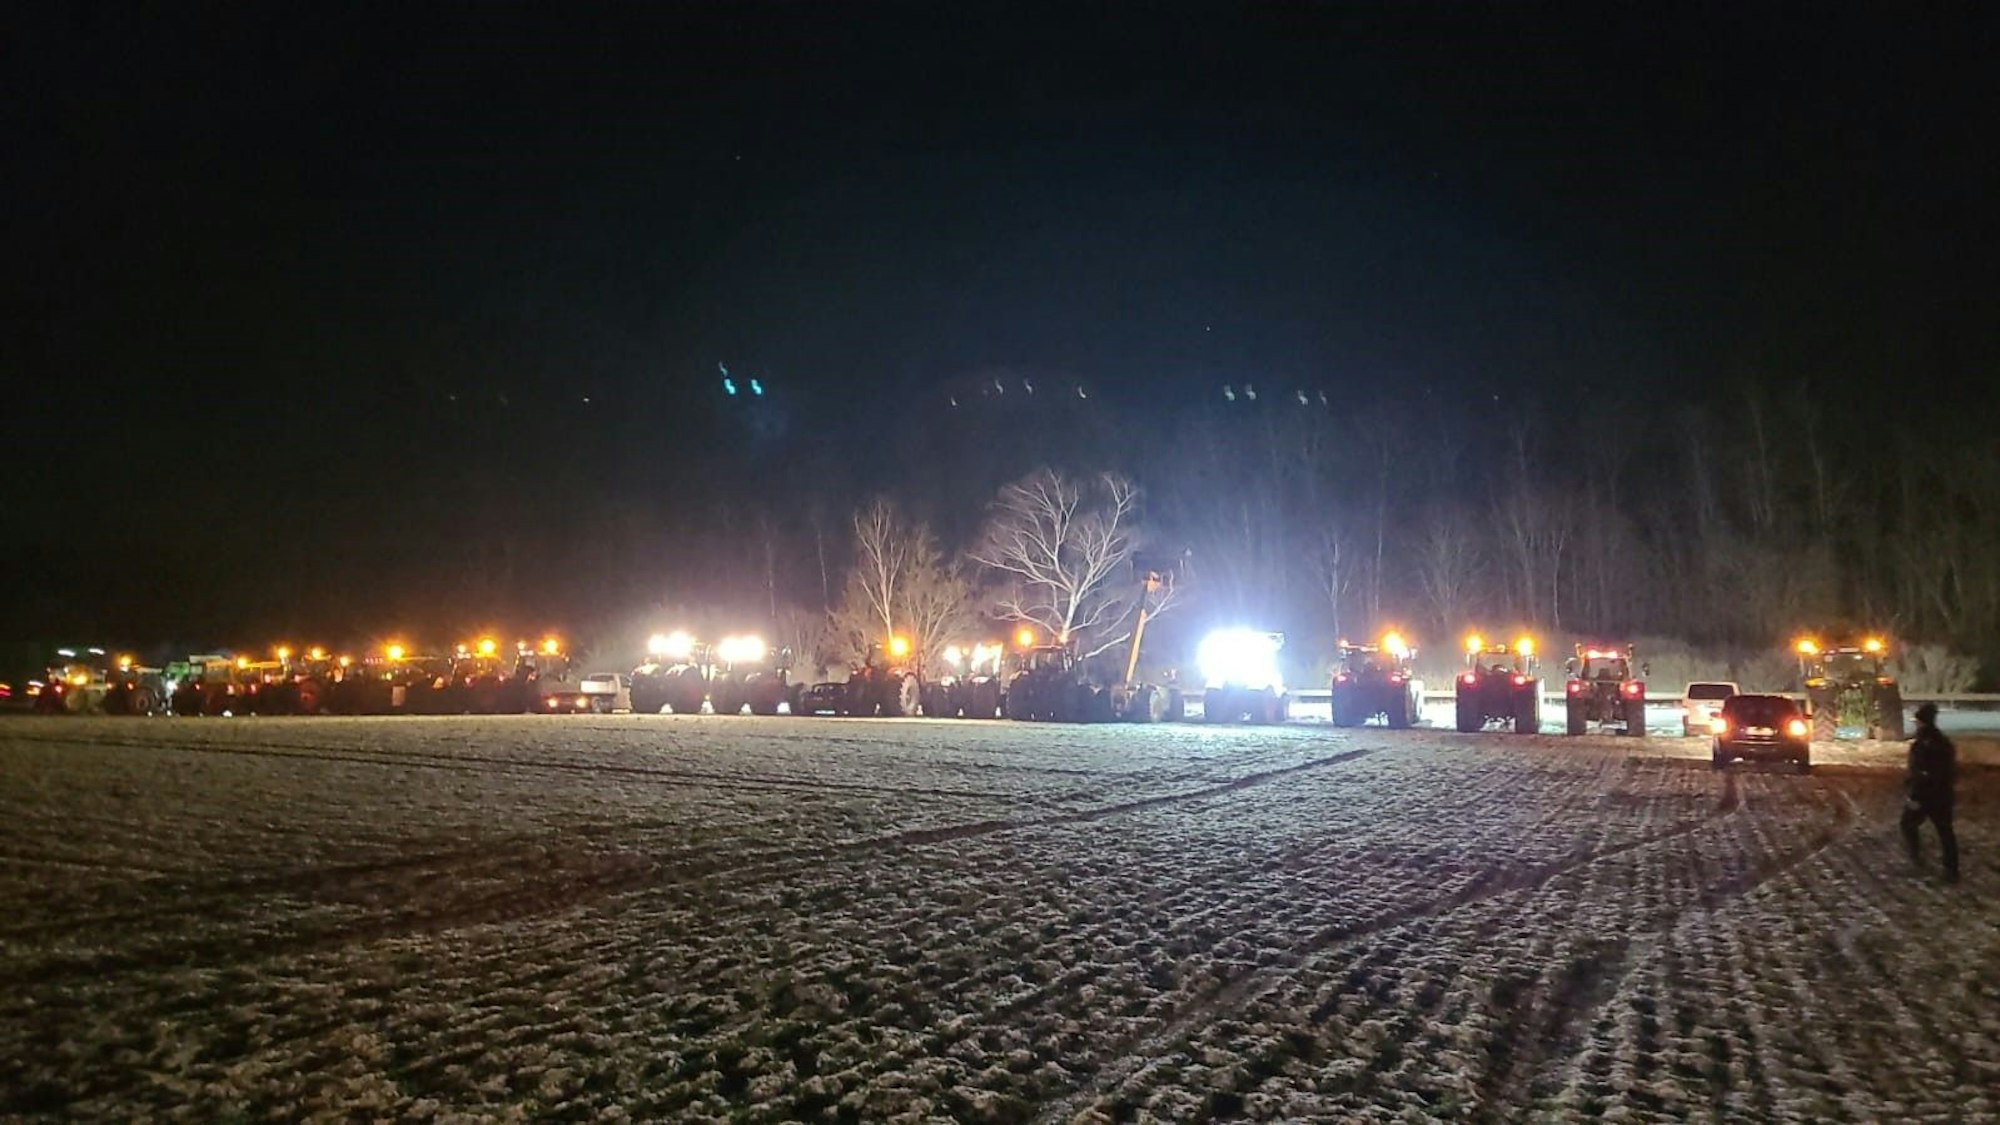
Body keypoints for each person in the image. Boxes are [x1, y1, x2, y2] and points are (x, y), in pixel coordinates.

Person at [1901, 702, 1959, 883]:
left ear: (1921, 722)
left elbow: (1921, 771)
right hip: (1943, 793)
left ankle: (1918, 861)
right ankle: (1951, 870)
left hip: (1926, 794)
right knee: (1945, 831)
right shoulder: (1943, 742)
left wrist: (1914, 793)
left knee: (1907, 824)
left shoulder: (1924, 744)